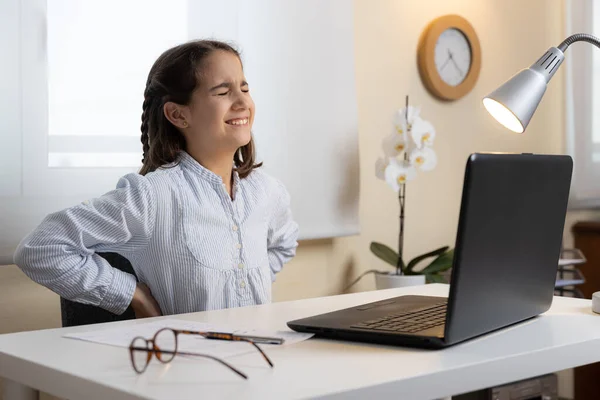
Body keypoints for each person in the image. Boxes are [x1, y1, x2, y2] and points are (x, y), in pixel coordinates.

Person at [13, 39, 299, 319]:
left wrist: (245, 281)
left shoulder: (267, 191)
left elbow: (283, 243)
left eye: (245, 88)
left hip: (258, 356)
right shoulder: (153, 196)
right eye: (223, 92)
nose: (242, 102)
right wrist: (132, 295)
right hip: (185, 360)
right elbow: (41, 248)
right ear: (178, 114)